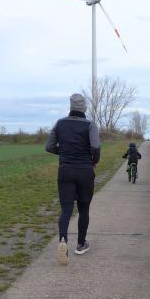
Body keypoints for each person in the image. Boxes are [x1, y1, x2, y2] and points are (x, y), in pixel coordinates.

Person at [45, 93, 101, 265]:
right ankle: (81, 244)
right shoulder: (90, 125)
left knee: (66, 210)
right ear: (84, 108)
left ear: (70, 107)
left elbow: (49, 146)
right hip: (85, 171)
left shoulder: (59, 123)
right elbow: (96, 147)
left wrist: (63, 152)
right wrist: (93, 160)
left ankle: (63, 240)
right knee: (84, 209)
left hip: (65, 171)